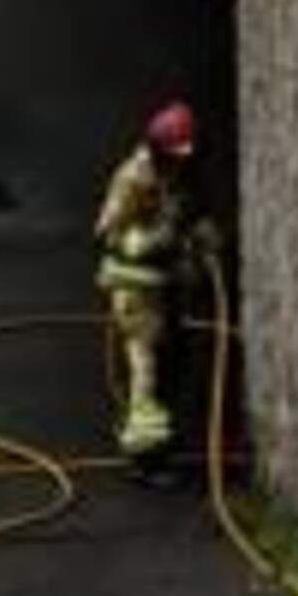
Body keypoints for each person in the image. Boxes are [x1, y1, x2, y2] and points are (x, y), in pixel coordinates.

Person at [92, 98, 204, 470]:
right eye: (175, 155)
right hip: (135, 289)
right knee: (146, 371)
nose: (181, 163)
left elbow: (181, 215)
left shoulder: (169, 173)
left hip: (161, 287)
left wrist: (197, 238)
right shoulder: (133, 177)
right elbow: (107, 233)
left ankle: (161, 443)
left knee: (172, 365)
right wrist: (153, 241)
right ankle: (144, 456)